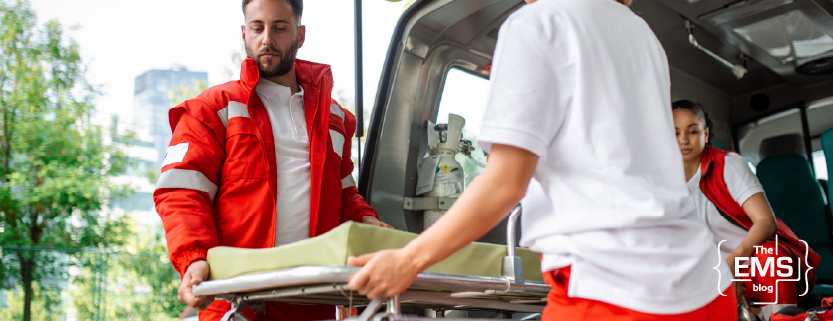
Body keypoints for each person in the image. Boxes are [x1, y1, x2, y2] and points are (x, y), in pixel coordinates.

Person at [348, 0, 738, 320]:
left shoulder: (539, 23)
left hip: (615, 290)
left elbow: (505, 182)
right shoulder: (642, 33)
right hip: (705, 285)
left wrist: (409, 259)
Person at [153, 0, 391, 319]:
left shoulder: (334, 118)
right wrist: (193, 258)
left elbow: (345, 192)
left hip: (314, 301)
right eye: (257, 28)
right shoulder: (211, 109)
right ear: (244, 33)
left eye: (280, 28)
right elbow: (181, 193)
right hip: (238, 300)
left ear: (300, 35)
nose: (267, 38)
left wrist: (366, 218)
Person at [672, 99, 820, 321]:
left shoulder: (728, 165)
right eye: (674, 133)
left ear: (705, 133)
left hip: (753, 262)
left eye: (692, 131)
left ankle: (782, 317)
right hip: (709, 271)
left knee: (770, 255)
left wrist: (733, 264)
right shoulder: (663, 182)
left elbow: (765, 222)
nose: (683, 140)